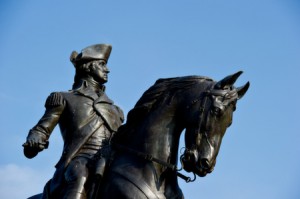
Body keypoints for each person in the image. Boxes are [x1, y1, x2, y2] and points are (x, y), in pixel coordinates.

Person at [23, 44, 124, 199]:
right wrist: (35, 138)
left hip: (111, 159)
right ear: (89, 67)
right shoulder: (64, 98)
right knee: (80, 175)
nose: (107, 70)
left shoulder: (115, 110)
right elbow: (42, 129)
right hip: (80, 158)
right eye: (102, 64)